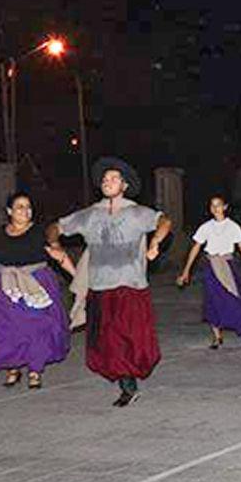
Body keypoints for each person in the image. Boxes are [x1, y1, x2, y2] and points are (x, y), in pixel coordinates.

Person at [47, 157, 172, 407]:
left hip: (131, 286)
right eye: (104, 179)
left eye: (113, 178)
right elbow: (55, 227)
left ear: (124, 185)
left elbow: (164, 221)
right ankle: (128, 387)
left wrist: (156, 242)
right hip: (100, 287)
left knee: (134, 340)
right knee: (109, 342)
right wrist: (55, 246)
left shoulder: (136, 212)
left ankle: (131, 377)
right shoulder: (90, 214)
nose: (108, 182)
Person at [0, 191, 73, 389]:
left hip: (35, 285)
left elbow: (59, 255)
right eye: (20, 207)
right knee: (7, 329)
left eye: (28, 207)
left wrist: (77, 277)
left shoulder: (39, 232)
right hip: (2, 288)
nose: (26, 211)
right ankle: (12, 367)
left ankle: (34, 370)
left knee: (36, 327)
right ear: (9, 211)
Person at [177, 195, 241, 349]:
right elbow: (196, 248)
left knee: (235, 296)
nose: (215, 208)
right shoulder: (206, 227)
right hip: (211, 265)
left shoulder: (233, 226)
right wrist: (186, 271)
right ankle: (217, 336)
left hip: (228, 265)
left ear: (225, 207)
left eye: (218, 205)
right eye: (212, 205)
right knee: (212, 300)